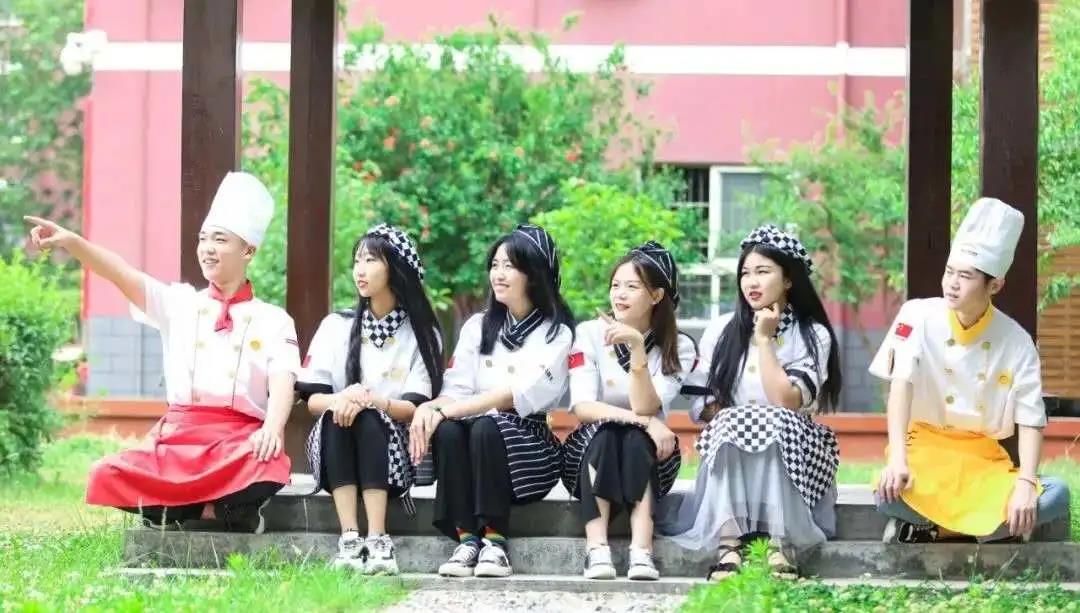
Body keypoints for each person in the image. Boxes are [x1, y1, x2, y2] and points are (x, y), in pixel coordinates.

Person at [28, 171, 300, 532]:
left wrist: (272, 428)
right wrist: (72, 242)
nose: (207, 248)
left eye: (220, 239)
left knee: (266, 461)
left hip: (238, 440)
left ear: (248, 250)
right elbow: (120, 273)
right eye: (203, 239)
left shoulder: (273, 319)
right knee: (106, 473)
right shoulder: (179, 303)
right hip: (177, 439)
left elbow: (283, 379)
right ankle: (217, 509)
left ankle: (186, 507)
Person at [872, 198, 1070, 543]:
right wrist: (898, 459)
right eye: (949, 272)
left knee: (1057, 494)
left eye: (965, 276)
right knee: (887, 492)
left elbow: (1031, 416)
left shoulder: (1016, 341)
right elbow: (900, 385)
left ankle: (933, 530)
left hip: (981, 460)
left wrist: (1026, 481)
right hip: (923, 451)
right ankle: (987, 532)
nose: (952, 283)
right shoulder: (916, 315)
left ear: (994, 285)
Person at [656, 224, 842, 580]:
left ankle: (780, 543)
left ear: (788, 280)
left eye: (763, 271)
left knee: (775, 420)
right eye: (745, 273)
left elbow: (786, 401)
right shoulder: (720, 330)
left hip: (797, 445)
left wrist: (764, 339)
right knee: (734, 422)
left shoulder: (812, 334)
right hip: (733, 444)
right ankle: (729, 544)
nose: (751, 282)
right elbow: (703, 407)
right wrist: (743, 420)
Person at [409, 224, 574, 579]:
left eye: (509, 266)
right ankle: (467, 540)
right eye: (495, 265)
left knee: (484, 424)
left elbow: (515, 394)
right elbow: (456, 388)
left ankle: (495, 544)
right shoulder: (477, 327)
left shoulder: (557, 333)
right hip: (477, 439)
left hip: (530, 448)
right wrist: (432, 408)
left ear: (533, 273)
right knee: (449, 430)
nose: (498, 274)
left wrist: (447, 410)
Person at [296, 224, 443, 574]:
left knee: (367, 417)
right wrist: (344, 398)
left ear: (396, 268)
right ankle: (350, 538)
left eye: (371, 260)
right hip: (337, 442)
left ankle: (378, 538)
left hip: (397, 453)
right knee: (341, 415)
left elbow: (412, 408)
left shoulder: (422, 332)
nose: (359, 270)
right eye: (357, 261)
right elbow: (313, 400)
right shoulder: (335, 326)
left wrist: (370, 400)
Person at [561, 241, 697, 581]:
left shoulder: (679, 346)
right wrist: (648, 424)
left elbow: (645, 406)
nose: (619, 294)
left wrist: (637, 347)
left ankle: (641, 550)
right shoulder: (588, 334)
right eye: (615, 285)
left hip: (654, 457)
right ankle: (597, 549)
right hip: (588, 453)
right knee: (609, 433)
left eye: (632, 287)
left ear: (656, 295)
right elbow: (583, 407)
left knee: (634, 439)